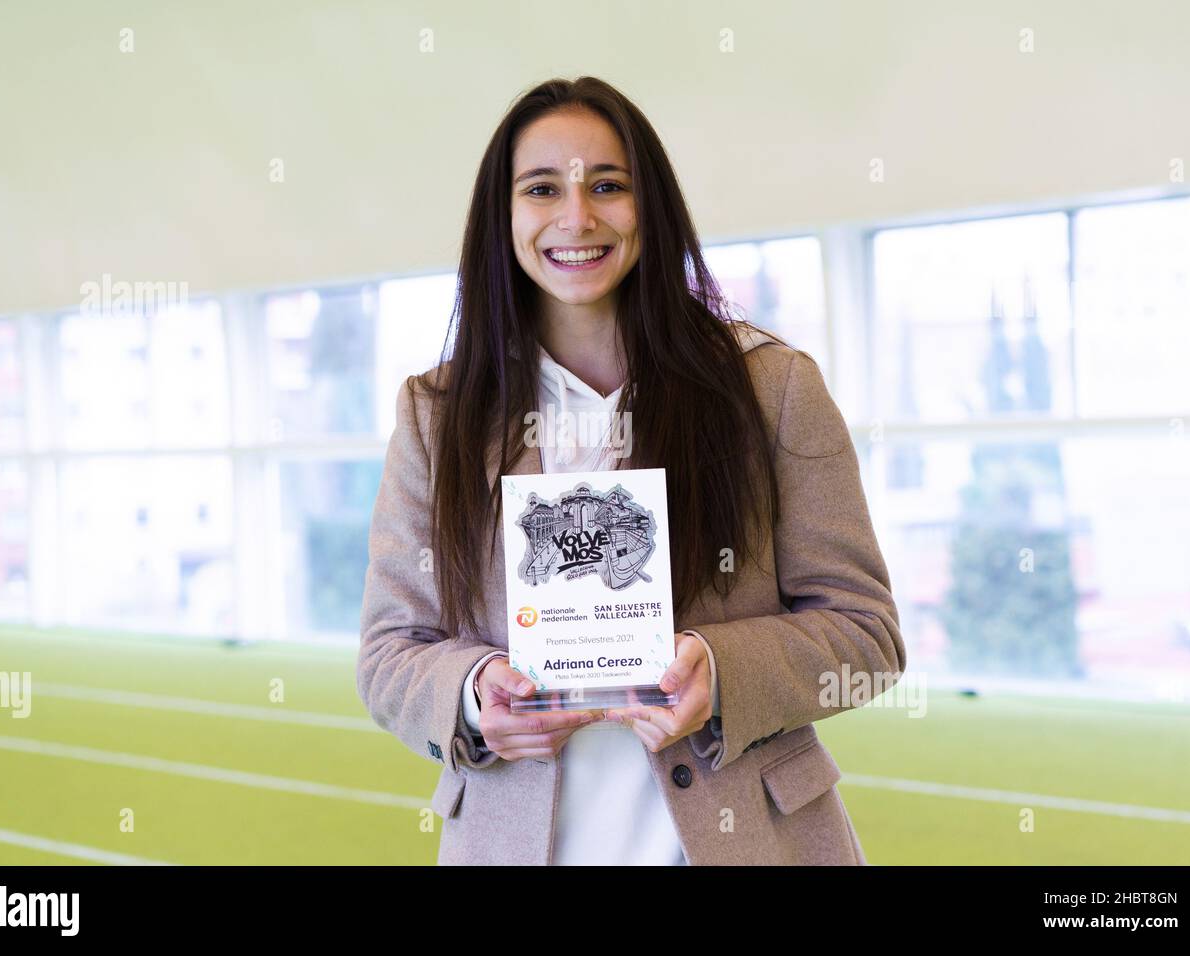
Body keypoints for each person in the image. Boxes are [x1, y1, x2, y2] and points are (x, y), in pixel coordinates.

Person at [357, 76, 906, 865]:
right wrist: (475, 696)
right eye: (541, 188)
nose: (576, 217)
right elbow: (388, 653)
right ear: (502, 216)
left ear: (651, 206)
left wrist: (722, 673)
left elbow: (867, 634)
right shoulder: (437, 413)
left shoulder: (773, 388)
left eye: (607, 186)